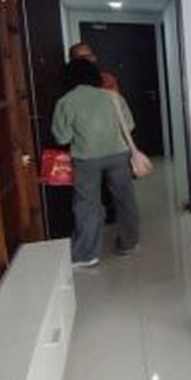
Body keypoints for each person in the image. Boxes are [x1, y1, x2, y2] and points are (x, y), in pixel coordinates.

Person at [51, 59, 140, 266]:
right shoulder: (112, 97)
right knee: (125, 199)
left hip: (86, 158)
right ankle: (129, 242)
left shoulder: (66, 102)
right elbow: (129, 125)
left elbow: (62, 138)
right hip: (118, 154)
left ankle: (87, 254)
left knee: (87, 204)